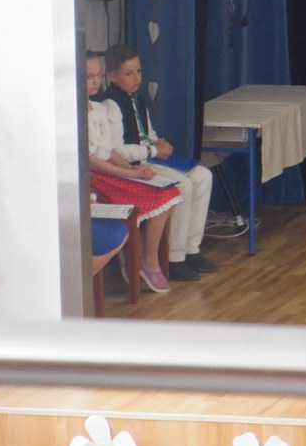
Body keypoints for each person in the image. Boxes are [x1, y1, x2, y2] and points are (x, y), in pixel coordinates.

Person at [97, 44, 216, 283]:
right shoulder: (110, 104)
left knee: (203, 175)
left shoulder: (137, 99)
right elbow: (116, 150)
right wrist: (152, 149)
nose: (136, 78)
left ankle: (191, 248)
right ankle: (175, 256)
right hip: (131, 166)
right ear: (112, 76)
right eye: (128, 73)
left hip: (148, 158)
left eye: (139, 71)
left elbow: (147, 133)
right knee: (182, 186)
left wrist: (158, 141)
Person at [84, 51, 180, 293]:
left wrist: (133, 169)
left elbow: (109, 150)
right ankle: (141, 260)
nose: (95, 82)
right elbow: (91, 160)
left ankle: (146, 259)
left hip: (112, 169)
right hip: (96, 178)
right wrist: (129, 174)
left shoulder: (98, 108)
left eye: (98, 75)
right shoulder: (74, 115)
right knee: (161, 196)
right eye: (88, 77)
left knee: (169, 192)